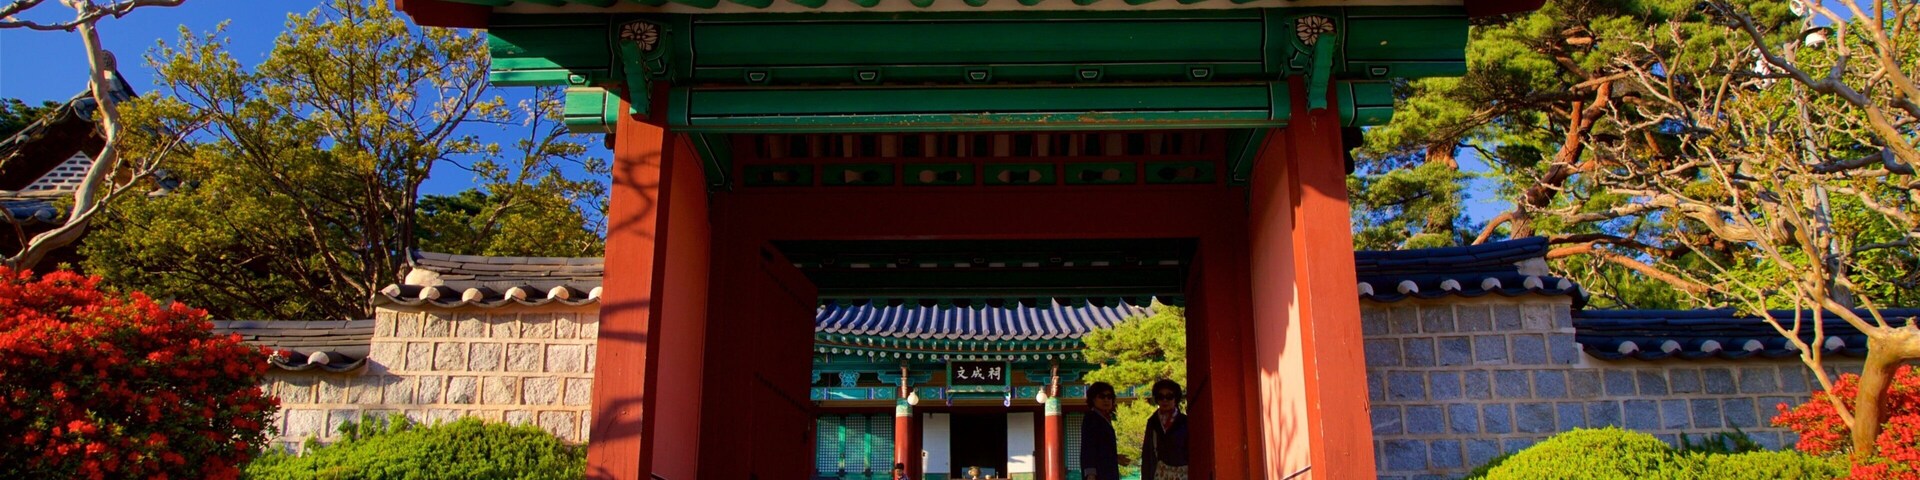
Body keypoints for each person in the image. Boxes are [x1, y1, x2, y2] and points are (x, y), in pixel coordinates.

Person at [1140, 379, 1190, 480]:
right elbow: (1147, 455)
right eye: (1160, 397)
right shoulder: (1152, 422)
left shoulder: (1186, 422)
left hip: (1183, 474)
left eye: (1169, 397)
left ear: (1176, 398)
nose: (1165, 400)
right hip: (1159, 473)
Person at [1078, 381, 1129, 480]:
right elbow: (1088, 447)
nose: (1106, 400)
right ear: (1093, 399)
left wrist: (1116, 458)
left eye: (1109, 397)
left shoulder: (1105, 419)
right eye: (1102, 396)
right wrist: (1090, 473)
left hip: (1108, 472)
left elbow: (1102, 450)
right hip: (1098, 474)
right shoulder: (1091, 417)